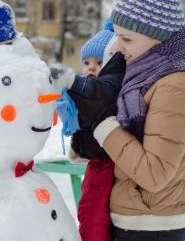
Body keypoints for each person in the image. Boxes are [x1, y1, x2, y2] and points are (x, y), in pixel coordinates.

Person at [69, 0, 185, 241]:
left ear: (158, 38)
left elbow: (154, 174)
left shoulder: (174, 88)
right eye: (117, 36)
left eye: (127, 38)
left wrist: (103, 124)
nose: (118, 46)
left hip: (151, 226)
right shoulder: (149, 76)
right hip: (140, 218)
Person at [56, 19, 125, 241]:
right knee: (92, 210)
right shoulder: (87, 90)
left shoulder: (108, 86)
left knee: (92, 212)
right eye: (86, 63)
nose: (91, 68)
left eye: (98, 61)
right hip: (98, 162)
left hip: (105, 162)